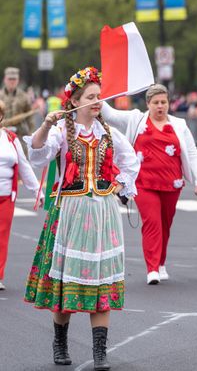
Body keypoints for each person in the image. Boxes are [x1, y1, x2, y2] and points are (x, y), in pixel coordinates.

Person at [23, 67, 139, 370]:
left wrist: (118, 186)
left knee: (100, 283)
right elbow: (37, 154)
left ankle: (100, 352)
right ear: (75, 101)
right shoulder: (62, 132)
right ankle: (60, 343)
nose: (98, 101)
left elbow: (131, 163)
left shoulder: (110, 134)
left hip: (102, 214)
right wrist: (45, 126)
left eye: (99, 96)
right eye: (91, 97)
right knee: (66, 281)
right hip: (71, 215)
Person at [101, 84, 197, 285]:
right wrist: (100, 90)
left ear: (168, 103)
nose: (160, 106)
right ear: (148, 104)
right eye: (156, 103)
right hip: (144, 182)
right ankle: (152, 269)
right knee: (152, 223)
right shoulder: (135, 118)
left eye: (164, 102)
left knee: (165, 225)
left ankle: (160, 263)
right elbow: (110, 115)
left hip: (172, 183)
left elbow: (192, 154)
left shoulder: (179, 125)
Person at [0, 100, 43, 291]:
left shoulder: (10, 138)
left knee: (2, 238)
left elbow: (24, 166)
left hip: (6, 196)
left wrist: (37, 192)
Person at [0, 67, 34, 149]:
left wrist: (31, 137)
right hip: (2, 135)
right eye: (10, 79)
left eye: (14, 79)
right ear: (5, 79)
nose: (12, 81)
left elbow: (30, 119)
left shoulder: (24, 96)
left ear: (18, 80)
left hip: (19, 136)